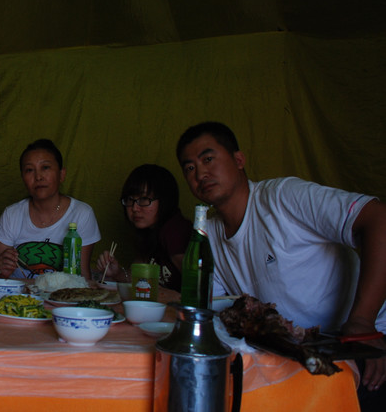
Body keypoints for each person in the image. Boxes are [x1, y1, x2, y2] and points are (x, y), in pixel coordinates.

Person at [176, 121, 386, 409]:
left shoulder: (283, 198)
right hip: (293, 352)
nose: (200, 173)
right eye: (189, 168)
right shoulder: (209, 234)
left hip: (364, 341)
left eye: (208, 159)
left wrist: (363, 320)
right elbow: (217, 307)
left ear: (239, 160)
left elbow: (378, 218)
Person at [0, 139, 101, 280]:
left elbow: (82, 275)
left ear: (62, 174)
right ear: (23, 178)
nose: (38, 177)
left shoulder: (82, 214)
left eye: (45, 167)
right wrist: (0, 266)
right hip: (18, 297)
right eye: (29, 170)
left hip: (63, 298)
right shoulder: (12, 214)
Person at [95, 164, 192, 291]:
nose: (135, 208)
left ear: (165, 200)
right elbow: (138, 278)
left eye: (144, 200)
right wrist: (117, 272)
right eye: (130, 200)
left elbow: (198, 284)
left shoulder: (174, 230)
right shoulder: (149, 232)